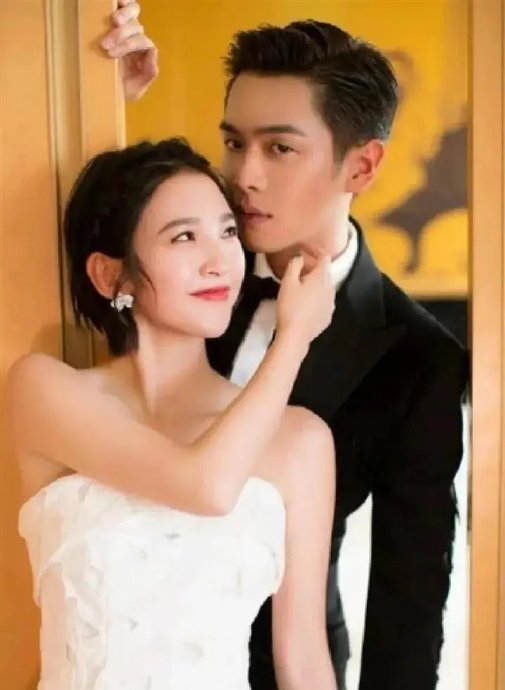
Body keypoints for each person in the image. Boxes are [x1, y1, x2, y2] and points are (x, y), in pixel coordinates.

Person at [101, 4, 468, 689]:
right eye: (233, 142)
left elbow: (409, 602)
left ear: (362, 166)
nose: (244, 175)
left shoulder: (421, 360)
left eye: (279, 148)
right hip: (116, 644)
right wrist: (100, 96)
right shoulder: (169, 272)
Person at [7, 138, 339, 690]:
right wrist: (294, 338)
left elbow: (303, 661)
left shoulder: (299, 441)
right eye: (184, 236)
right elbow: (206, 486)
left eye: (228, 232)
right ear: (111, 276)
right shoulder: (43, 390)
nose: (220, 261)